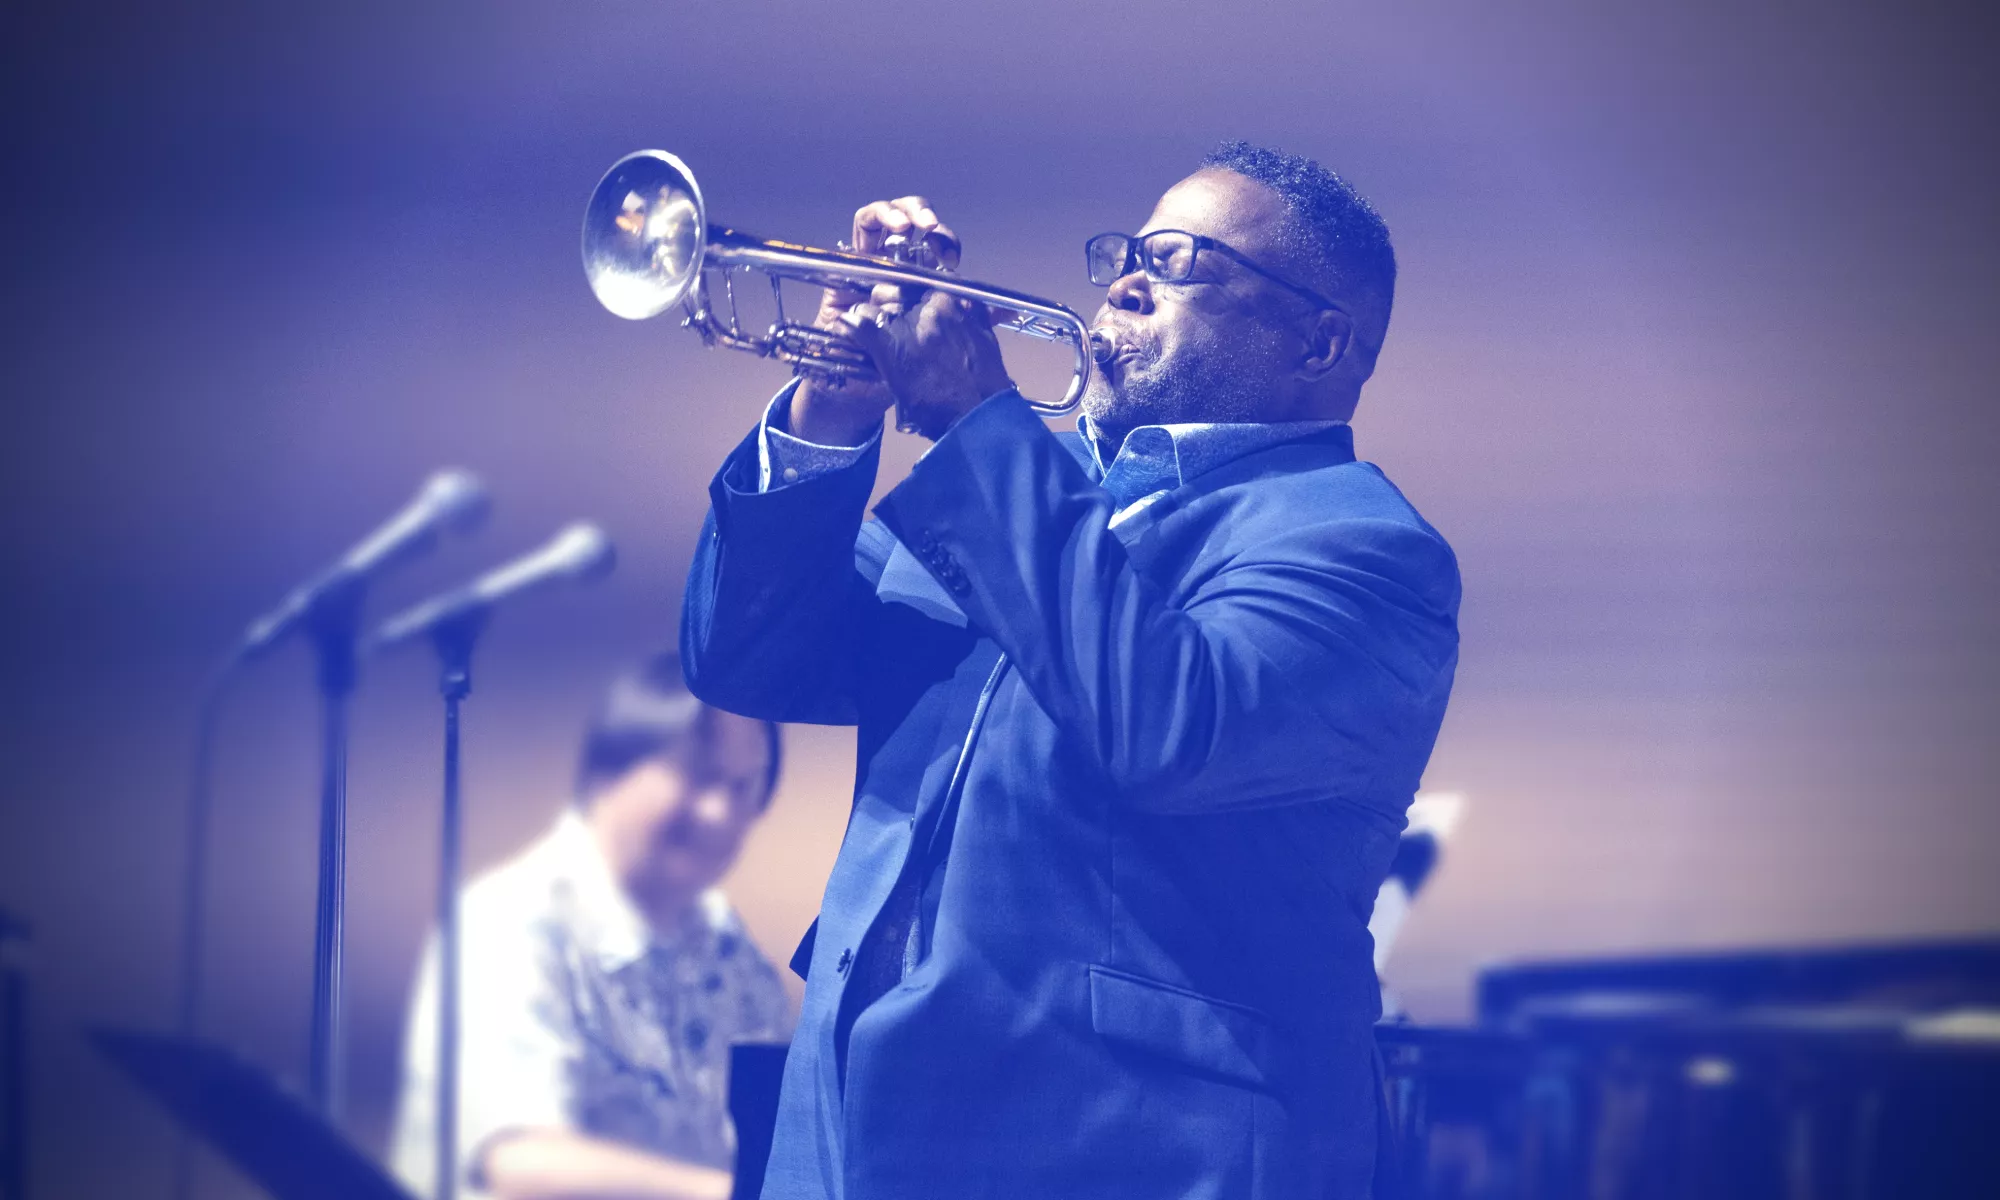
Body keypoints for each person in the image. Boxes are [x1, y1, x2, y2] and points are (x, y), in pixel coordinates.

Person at [681, 140, 1460, 1199]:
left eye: (1184, 263)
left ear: (1321, 343)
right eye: (1130, 253)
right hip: (844, 1129)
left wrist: (972, 419)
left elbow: (1166, 730)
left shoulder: (1361, 548)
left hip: (1114, 1145)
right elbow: (749, 656)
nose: (1129, 282)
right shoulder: (1026, 498)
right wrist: (834, 405)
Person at [390, 652, 793, 1200]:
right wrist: (732, 1195)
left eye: (745, 787)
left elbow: (780, 1129)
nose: (722, 813)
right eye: (701, 776)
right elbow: (515, 1164)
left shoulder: (727, 946)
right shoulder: (508, 920)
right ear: (609, 769)